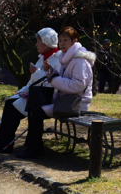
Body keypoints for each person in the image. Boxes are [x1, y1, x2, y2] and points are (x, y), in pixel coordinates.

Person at [18, 26, 96, 158]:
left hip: (76, 103)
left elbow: (77, 86)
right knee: (33, 105)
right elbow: (64, 79)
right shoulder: (68, 58)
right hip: (65, 99)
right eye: (60, 40)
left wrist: (54, 79)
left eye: (66, 40)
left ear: (74, 41)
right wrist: (51, 72)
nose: (62, 43)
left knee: (38, 112)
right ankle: (31, 146)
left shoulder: (80, 61)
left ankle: (35, 150)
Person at [0, 27, 61, 154]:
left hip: (46, 97)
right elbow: (32, 82)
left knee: (12, 107)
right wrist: (20, 92)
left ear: (46, 42)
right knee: (10, 102)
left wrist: (37, 73)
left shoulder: (58, 59)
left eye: (38, 41)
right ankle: (1, 142)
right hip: (36, 94)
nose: (36, 45)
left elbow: (52, 82)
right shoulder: (42, 58)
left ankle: (5, 144)